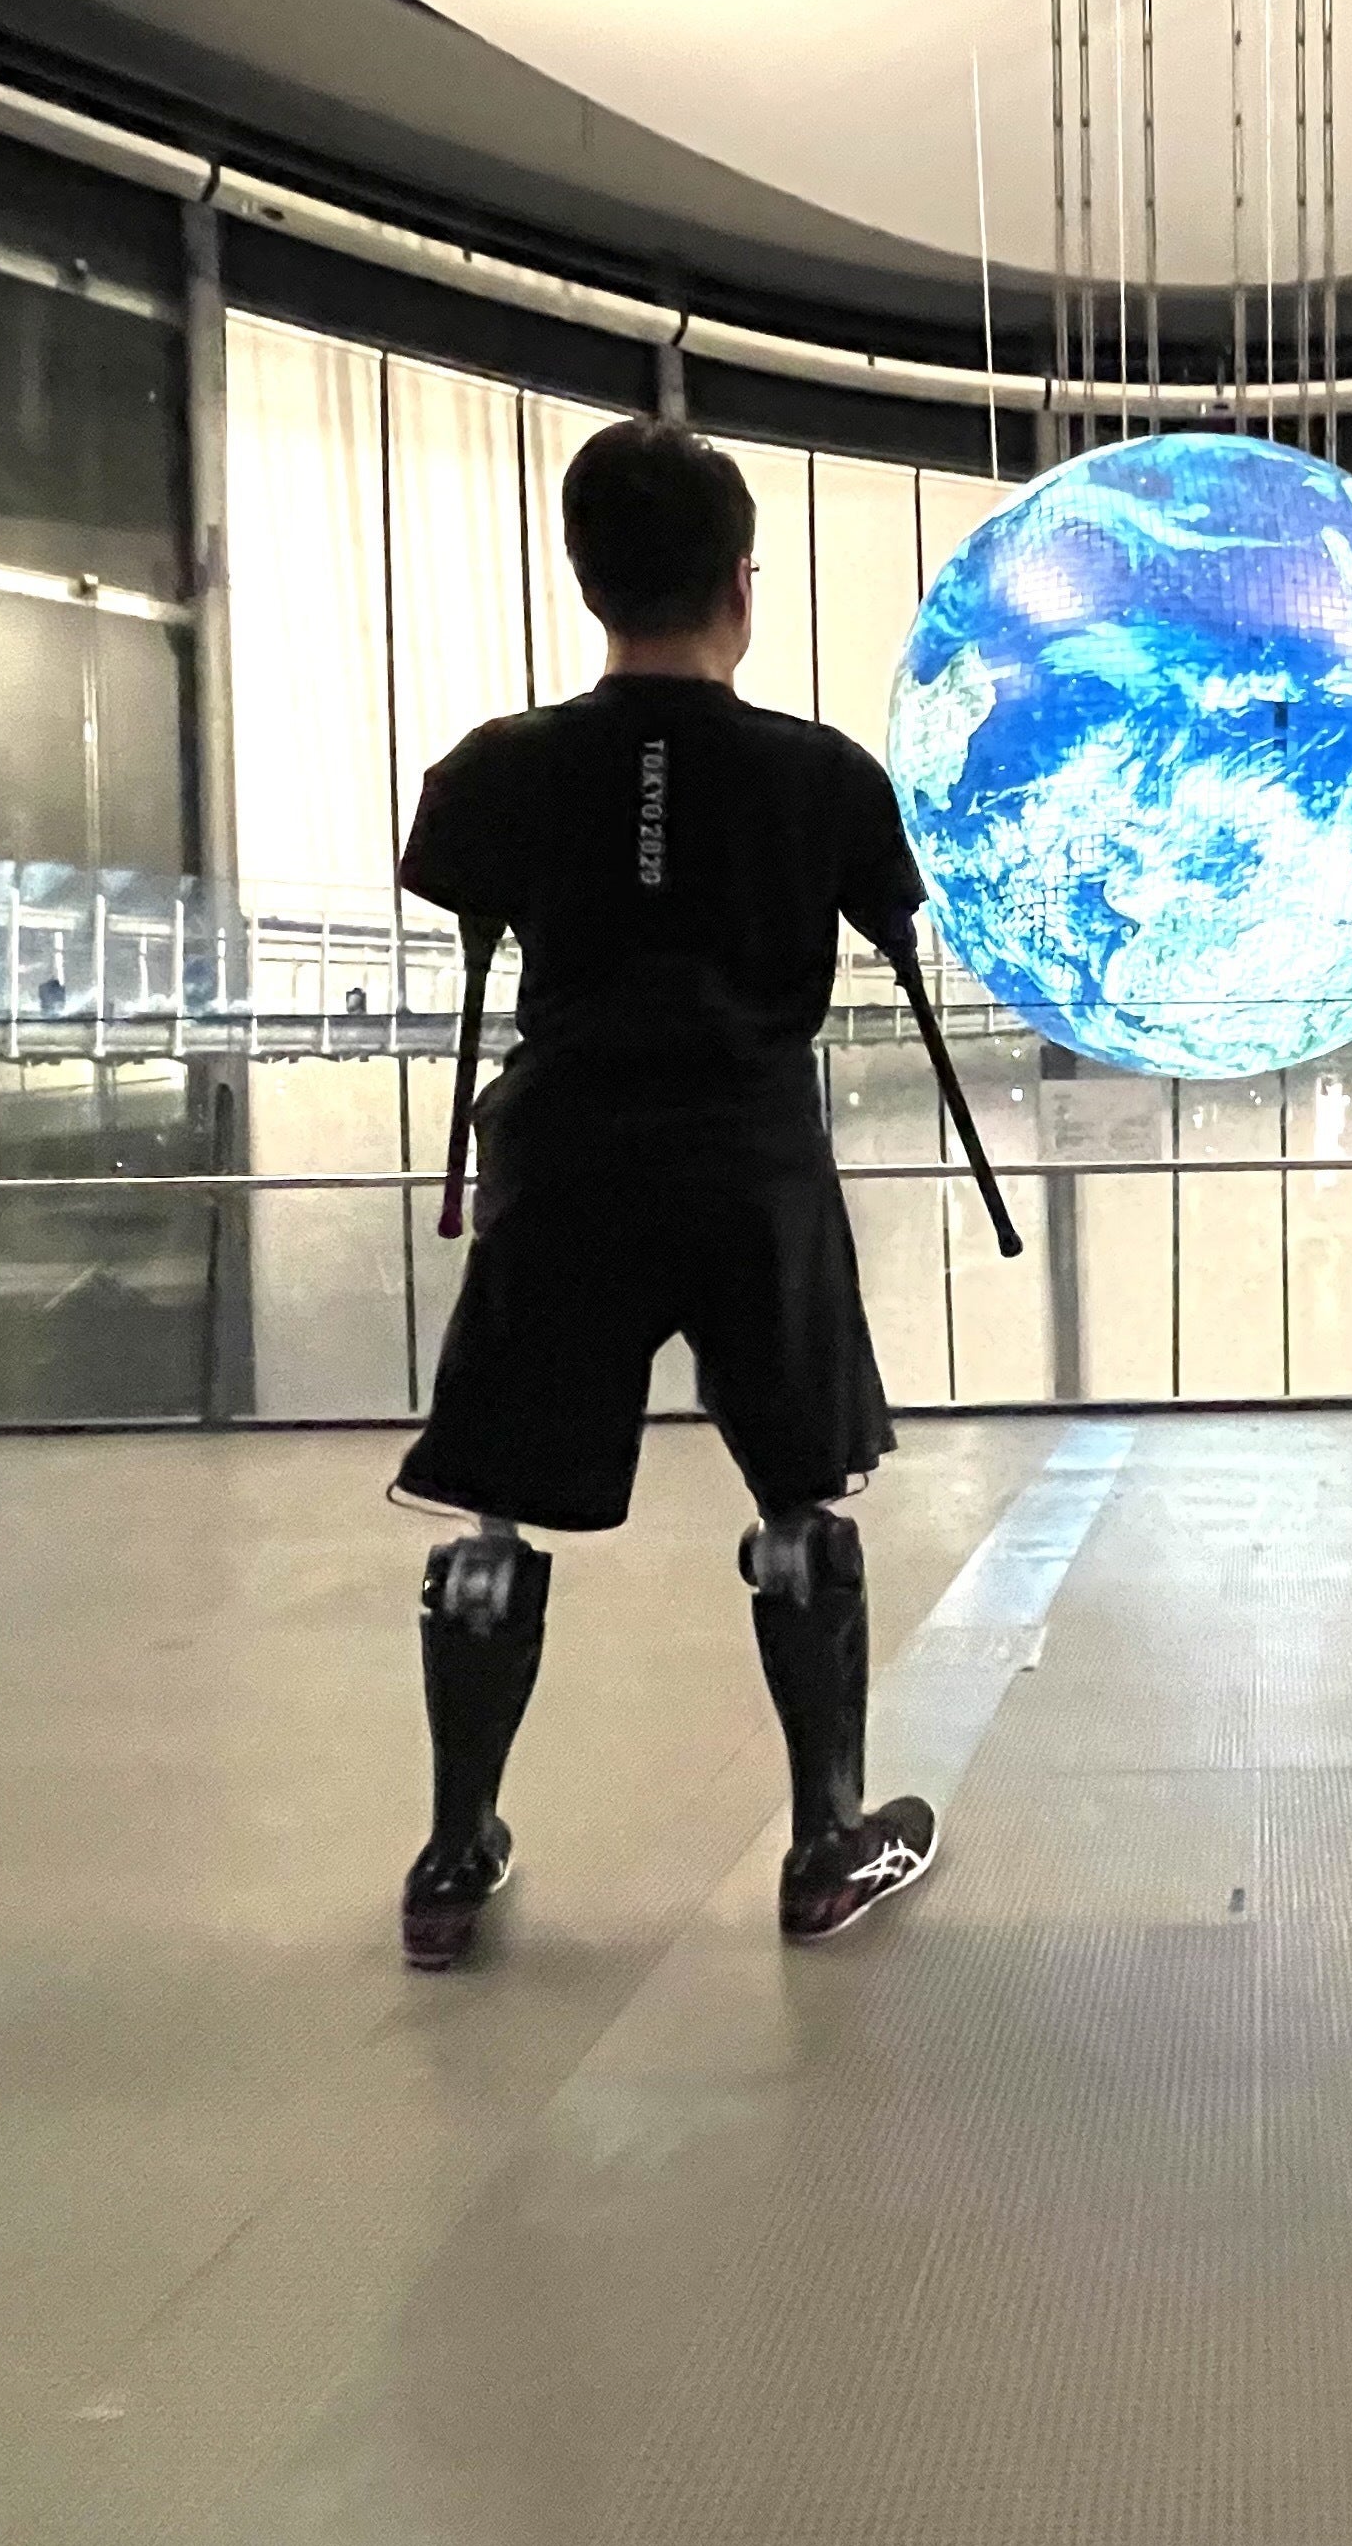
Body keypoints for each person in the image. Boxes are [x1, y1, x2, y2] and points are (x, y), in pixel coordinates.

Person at [384, 418, 939, 1971]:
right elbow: (890, 914)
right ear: (742, 584)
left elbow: (466, 877)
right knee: (800, 1500)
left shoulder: (494, 772)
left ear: (585, 579)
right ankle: (825, 1845)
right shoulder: (826, 780)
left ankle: (451, 1860)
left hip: (563, 1164)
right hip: (751, 1167)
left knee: (498, 1512)